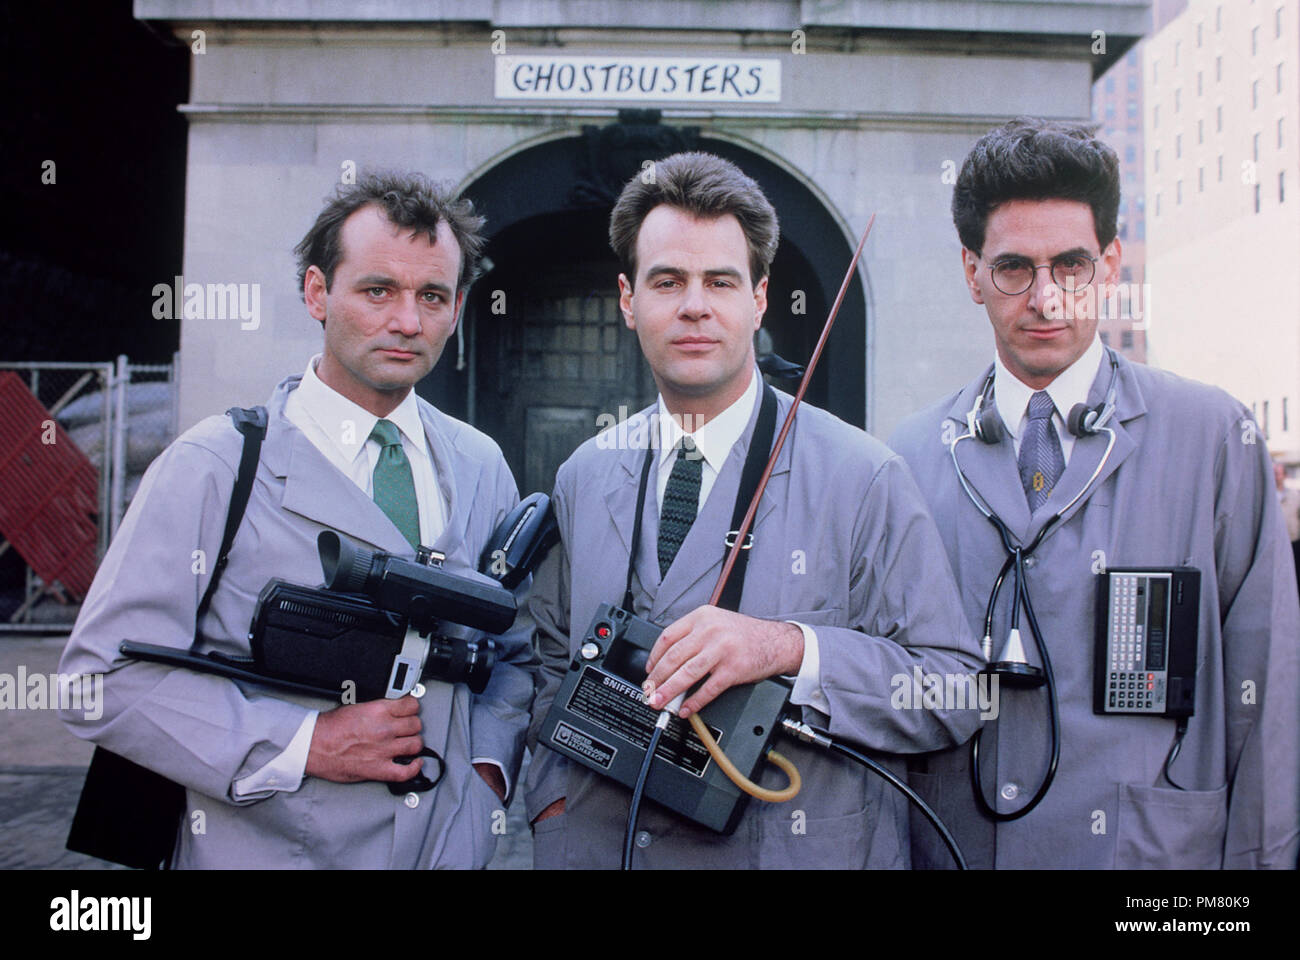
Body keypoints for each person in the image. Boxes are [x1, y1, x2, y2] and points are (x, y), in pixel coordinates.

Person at [60, 172, 534, 868]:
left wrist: (487, 777)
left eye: (431, 296)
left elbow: (512, 656)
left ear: (457, 307)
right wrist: (306, 741)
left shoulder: (479, 462)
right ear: (317, 292)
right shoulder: (214, 465)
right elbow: (98, 678)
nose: (407, 321)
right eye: (378, 290)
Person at [524, 151, 984, 868]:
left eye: (721, 281)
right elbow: (549, 657)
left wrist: (788, 650)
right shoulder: (585, 474)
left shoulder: (864, 475)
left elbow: (952, 690)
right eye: (667, 280)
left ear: (760, 299)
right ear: (627, 298)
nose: (695, 305)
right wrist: (552, 808)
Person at [889, 118, 1300, 869]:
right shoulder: (905, 458)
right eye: (1014, 268)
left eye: (1071, 265)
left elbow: (1264, 689)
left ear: (1110, 264)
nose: (1047, 298)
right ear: (971, 272)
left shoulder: (1213, 437)